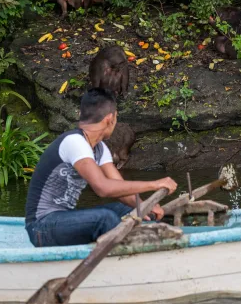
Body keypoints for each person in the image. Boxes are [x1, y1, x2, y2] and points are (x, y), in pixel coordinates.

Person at [24, 88, 177, 247]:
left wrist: (146, 206)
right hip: (41, 227)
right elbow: (103, 188)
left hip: (64, 218)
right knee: (105, 218)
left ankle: (140, 242)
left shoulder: (100, 148)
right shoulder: (74, 142)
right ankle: (130, 253)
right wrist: (154, 184)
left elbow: (120, 188)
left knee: (128, 209)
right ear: (110, 118)